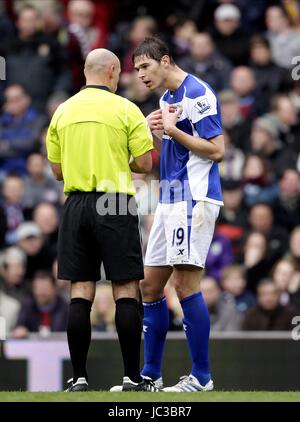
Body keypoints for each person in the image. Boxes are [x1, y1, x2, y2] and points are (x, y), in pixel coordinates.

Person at [46, 48, 155, 392]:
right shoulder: (126, 109)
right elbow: (145, 164)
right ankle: (131, 378)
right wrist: (119, 158)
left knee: (81, 292)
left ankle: (78, 378)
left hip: (76, 204)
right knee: (125, 289)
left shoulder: (62, 112)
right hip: (115, 202)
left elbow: (57, 171)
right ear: (111, 71)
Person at [129, 36, 224, 392]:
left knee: (185, 286)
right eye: (137, 69)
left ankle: (202, 377)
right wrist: (159, 134)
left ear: (164, 60)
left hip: (193, 199)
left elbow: (217, 150)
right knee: (149, 285)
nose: (140, 75)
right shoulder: (166, 98)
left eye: (145, 66)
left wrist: (170, 130)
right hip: (169, 198)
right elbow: (177, 149)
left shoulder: (197, 94)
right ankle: (150, 375)